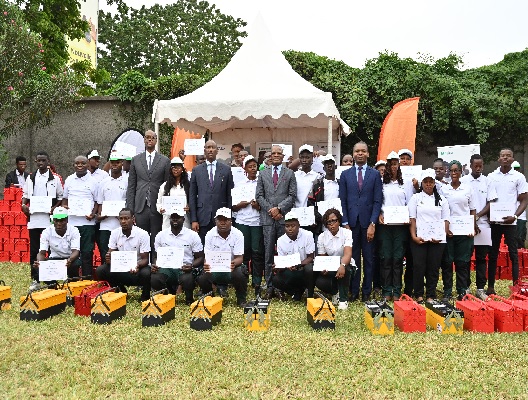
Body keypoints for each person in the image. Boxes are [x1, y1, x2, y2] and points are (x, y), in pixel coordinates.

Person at [339, 141, 383, 302]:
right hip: (351, 224)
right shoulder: (345, 175)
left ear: (368, 154)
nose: (360, 154)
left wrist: (373, 224)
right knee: (353, 258)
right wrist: (344, 222)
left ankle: (366, 292)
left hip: (368, 224)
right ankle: (354, 290)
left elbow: (378, 201)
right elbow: (342, 200)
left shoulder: (375, 174)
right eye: (357, 151)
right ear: (353, 153)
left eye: (363, 151)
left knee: (369, 259)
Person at [255, 144, 297, 298]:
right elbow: (259, 196)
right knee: (267, 254)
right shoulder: (263, 174)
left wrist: (279, 209)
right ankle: (270, 285)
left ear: (283, 155)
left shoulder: (290, 173)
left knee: (282, 253)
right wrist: (271, 210)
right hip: (267, 219)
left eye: (279, 153)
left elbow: (292, 196)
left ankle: (281, 285)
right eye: (274, 153)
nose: (276, 155)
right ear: (270, 156)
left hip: (283, 218)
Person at [487, 148, 528, 293]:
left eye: (508, 156)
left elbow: (524, 200)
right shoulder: (491, 176)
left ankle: (516, 287)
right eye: (502, 155)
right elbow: (489, 200)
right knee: (492, 254)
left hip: (511, 222)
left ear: (512, 159)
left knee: (513, 254)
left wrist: (515, 217)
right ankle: (490, 287)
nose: (505, 158)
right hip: (495, 222)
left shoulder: (519, 177)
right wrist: (489, 216)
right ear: (498, 158)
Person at [21, 151, 64, 285]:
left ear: (48, 161)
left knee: (50, 249)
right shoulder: (30, 177)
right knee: (34, 250)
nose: (41, 163)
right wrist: (23, 205)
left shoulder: (55, 179)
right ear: (35, 162)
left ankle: (51, 279)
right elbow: (26, 195)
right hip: (34, 220)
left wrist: (54, 208)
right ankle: (36, 279)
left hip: (49, 221)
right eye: (38, 161)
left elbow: (60, 198)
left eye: (43, 160)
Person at [408, 169, 450, 302]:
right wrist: (414, 236)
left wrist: (441, 235)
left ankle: (431, 294)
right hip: (419, 239)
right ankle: (419, 294)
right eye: (425, 182)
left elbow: (446, 220)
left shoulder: (442, 199)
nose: (428, 184)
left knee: (433, 267)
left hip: (437, 240)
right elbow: (412, 219)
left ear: (434, 183)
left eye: (430, 181)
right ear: (421, 183)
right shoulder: (415, 198)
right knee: (419, 266)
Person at [126, 130, 171, 255]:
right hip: (140, 207)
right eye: (147, 137)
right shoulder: (135, 160)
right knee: (140, 238)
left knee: (156, 238)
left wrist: (165, 206)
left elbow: (167, 186)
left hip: (157, 206)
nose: (149, 139)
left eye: (152, 138)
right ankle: (142, 266)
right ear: (144, 140)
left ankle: (155, 265)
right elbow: (131, 187)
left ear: (156, 140)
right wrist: (130, 210)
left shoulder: (165, 161)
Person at [460, 154, 497, 300]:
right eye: (475, 165)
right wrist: (470, 219)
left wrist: (478, 216)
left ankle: (480, 288)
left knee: (482, 258)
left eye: (480, 165)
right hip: (466, 226)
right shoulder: (463, 181)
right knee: (466, 258)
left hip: (483, 225)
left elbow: (491, 202)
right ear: (470, 165)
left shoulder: (488, 181)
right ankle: (466, 287)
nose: (478, 168)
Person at [377, 152, 413, 301]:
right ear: (387, 166)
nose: (393, 167)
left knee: (398, 259)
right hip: (385, 226)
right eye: (390, 164)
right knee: (386, 258)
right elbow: (378, 202)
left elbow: (409, 203)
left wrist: (407, 218)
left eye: (395, 164)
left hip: (400, 227)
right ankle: (386, 291)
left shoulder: (406, 183)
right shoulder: (381, 183)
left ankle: (397, 291)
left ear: (399, 166)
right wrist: (379, 214)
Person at [151, 206, 204, 305]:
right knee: (155, 278)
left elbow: (200, 257)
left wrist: (191, 266)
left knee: (187, 278)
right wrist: (155, 264)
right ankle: (168, 294)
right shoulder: (161, 235)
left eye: (178, 217)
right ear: (169, 219)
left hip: (184, 268)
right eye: (173, 217)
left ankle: (189, 298)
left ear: (183, 219)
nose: (175, 219)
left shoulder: (192, 235)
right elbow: (155, 256)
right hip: (166, 268)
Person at [96, 208, 151, 301]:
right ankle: (120, 291)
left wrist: (137, 266)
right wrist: (108, 258)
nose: (123, 221)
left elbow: (145, 259)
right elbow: (111, 253)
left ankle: (145, 295)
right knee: (101, 270)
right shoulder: (114, 233)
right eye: (121, 219)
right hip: (121, 267)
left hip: (138, 268)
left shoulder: (143, 234)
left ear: (133, 219)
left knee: (147, 273)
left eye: (126, 218)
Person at [196, 208, 248, 306]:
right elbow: (207, 257)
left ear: (231, 221)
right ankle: (209, 298)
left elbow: (239, 258)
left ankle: (241, 300)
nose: (223, 223)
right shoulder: (210, 234)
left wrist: (233, 263)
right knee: (203, 277)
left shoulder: (238, 234)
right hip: (215, 269)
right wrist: (207, 265)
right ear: (215, 221)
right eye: (220, 220)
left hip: (231, 269)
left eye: (226, 220)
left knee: (241, 273)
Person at [440, 160, 476, 301]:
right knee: (447, 263)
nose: (454, 173)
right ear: (448, 172)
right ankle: (447, 291)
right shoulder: (444, 189)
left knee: (462, 262)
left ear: (461, 172)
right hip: (449, 232)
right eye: (452, 170)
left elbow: (472, 210)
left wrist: (471, 227)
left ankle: (462, 290)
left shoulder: (468, 189)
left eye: (457, 170)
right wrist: (445, 228)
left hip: (464, 232)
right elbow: (442, 210)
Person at [306, 208, 352, 310]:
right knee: (319, 280)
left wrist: (342, 265)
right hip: (331, 265)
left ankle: (343, 300)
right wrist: (324, 267)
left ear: (339, 221)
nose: (331, 224)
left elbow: (348, 253)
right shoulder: (322, 237)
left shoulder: (347, 233)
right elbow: (323, 257)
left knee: (346, 269)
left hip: (345, 263)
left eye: (334, 220)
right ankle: (335, 293)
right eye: (328, 222)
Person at [189, 140, 234, 244]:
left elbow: (229, 195)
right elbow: (192, 196)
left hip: (221, 217)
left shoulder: (226, 170)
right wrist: (194, 219)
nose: (210, 150)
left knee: (221, 246)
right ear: (204, 150)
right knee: (203, 247)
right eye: (208, 147)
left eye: (213, 147)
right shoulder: (196, 170)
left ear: (217, 151)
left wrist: (228, 216)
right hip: (202, 216)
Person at [232, 155, 264, 297]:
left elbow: (265, 203)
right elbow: (233, 206)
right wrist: (240, 205)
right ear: (244, 168)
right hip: (242, 222)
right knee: (243, 253)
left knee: (257, 252)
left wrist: (259, 206)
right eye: (249, 166)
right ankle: (242, 280)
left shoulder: (261, 183)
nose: (252, 169)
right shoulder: (239, 184)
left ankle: (257, 282)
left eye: (254, 166)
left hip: (257, 222)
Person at [62, 155, 98, 276]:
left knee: (87, 253)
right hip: (72, 223)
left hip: (87, 224)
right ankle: (73, 279)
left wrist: (93, 214)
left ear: (88, 165)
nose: (80, 166)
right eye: (77, 163)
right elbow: (65, 199)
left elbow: (98, 202)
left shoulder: (94, 181)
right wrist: (65, 207)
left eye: (83, 163)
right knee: (72, 252)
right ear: (74, 165)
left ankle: (87, 279)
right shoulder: (69, 180)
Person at [32, 207, 81, 289]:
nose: (59, 223)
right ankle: (53, 287)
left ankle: (72, 285)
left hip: (70, 259)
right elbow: (42, 252)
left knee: (75, 265)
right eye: (56, 220)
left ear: (67, 220)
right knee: (40, 267)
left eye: (62, 220)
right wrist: (40, 262)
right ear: (53, 220)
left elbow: (76, 251)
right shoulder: (47, 232)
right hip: (55, 259)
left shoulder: (74, 230)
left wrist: (70, 260)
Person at [272, 210, 314, 301]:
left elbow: (311, 257)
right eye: (287, 226)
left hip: (304, 269)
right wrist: (278, 267)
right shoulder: (280, 240)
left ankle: (309, 295)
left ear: (298, 225)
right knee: (276, 280)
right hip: (290, 271)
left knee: (310, 269)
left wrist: (299, 264)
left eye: (293, 226)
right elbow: (282, 262)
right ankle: (297, 291)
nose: (290, 229)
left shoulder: (308, 235)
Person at [96, 153, 128, 262]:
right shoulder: (103, 183)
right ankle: (108, 277)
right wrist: (100, 216)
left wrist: (124, 217)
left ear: (122, 163)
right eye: (112, 162)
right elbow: (100, 203)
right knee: (106, 255)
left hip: (122, 225)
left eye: (117, 162)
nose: (114, 165)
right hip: (106, 225)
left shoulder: (127, 182)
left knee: (122, 255)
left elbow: (129, 202)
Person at [308, 155, 340, 234]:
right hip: (322, 226)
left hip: (339, 225)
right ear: (323, 168)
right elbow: (310, 203)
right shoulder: (317, 185)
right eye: (326, 164)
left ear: (335, 166)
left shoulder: (341, 184)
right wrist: (319, 217)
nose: (329, 165)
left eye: (331, 163)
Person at [157, 156, 190, 231]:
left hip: (184, 221)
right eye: (173, 167)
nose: (176, 170)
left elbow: (192, 201)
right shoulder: (164, 186)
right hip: (168, 221)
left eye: (178, 167)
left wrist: (189, 207)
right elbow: (158, 203)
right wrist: (160, 209)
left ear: (182, 169)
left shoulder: (188, 185)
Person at [512, 161, 527, 248]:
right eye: (514, 169)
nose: (516, 171)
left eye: (517, 169)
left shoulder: (524, 183)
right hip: (508, 216)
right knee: (510, 241)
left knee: (520, 239)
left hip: (520, 217)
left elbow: (523, 198)